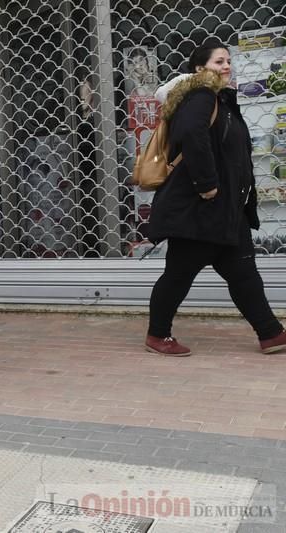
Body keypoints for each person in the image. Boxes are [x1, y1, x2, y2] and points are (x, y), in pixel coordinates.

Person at [145, 41, 286, 357]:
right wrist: (207, 185)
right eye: (218, 62)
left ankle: (271, 333)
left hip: (226, 211)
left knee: (244, 274)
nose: (226, 66)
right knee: (179, 275)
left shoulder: (221, 100)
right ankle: (157, 335)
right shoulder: (200, 97)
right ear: (199, 69)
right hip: (200, 210)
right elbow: (193, 137)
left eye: (228, 61)